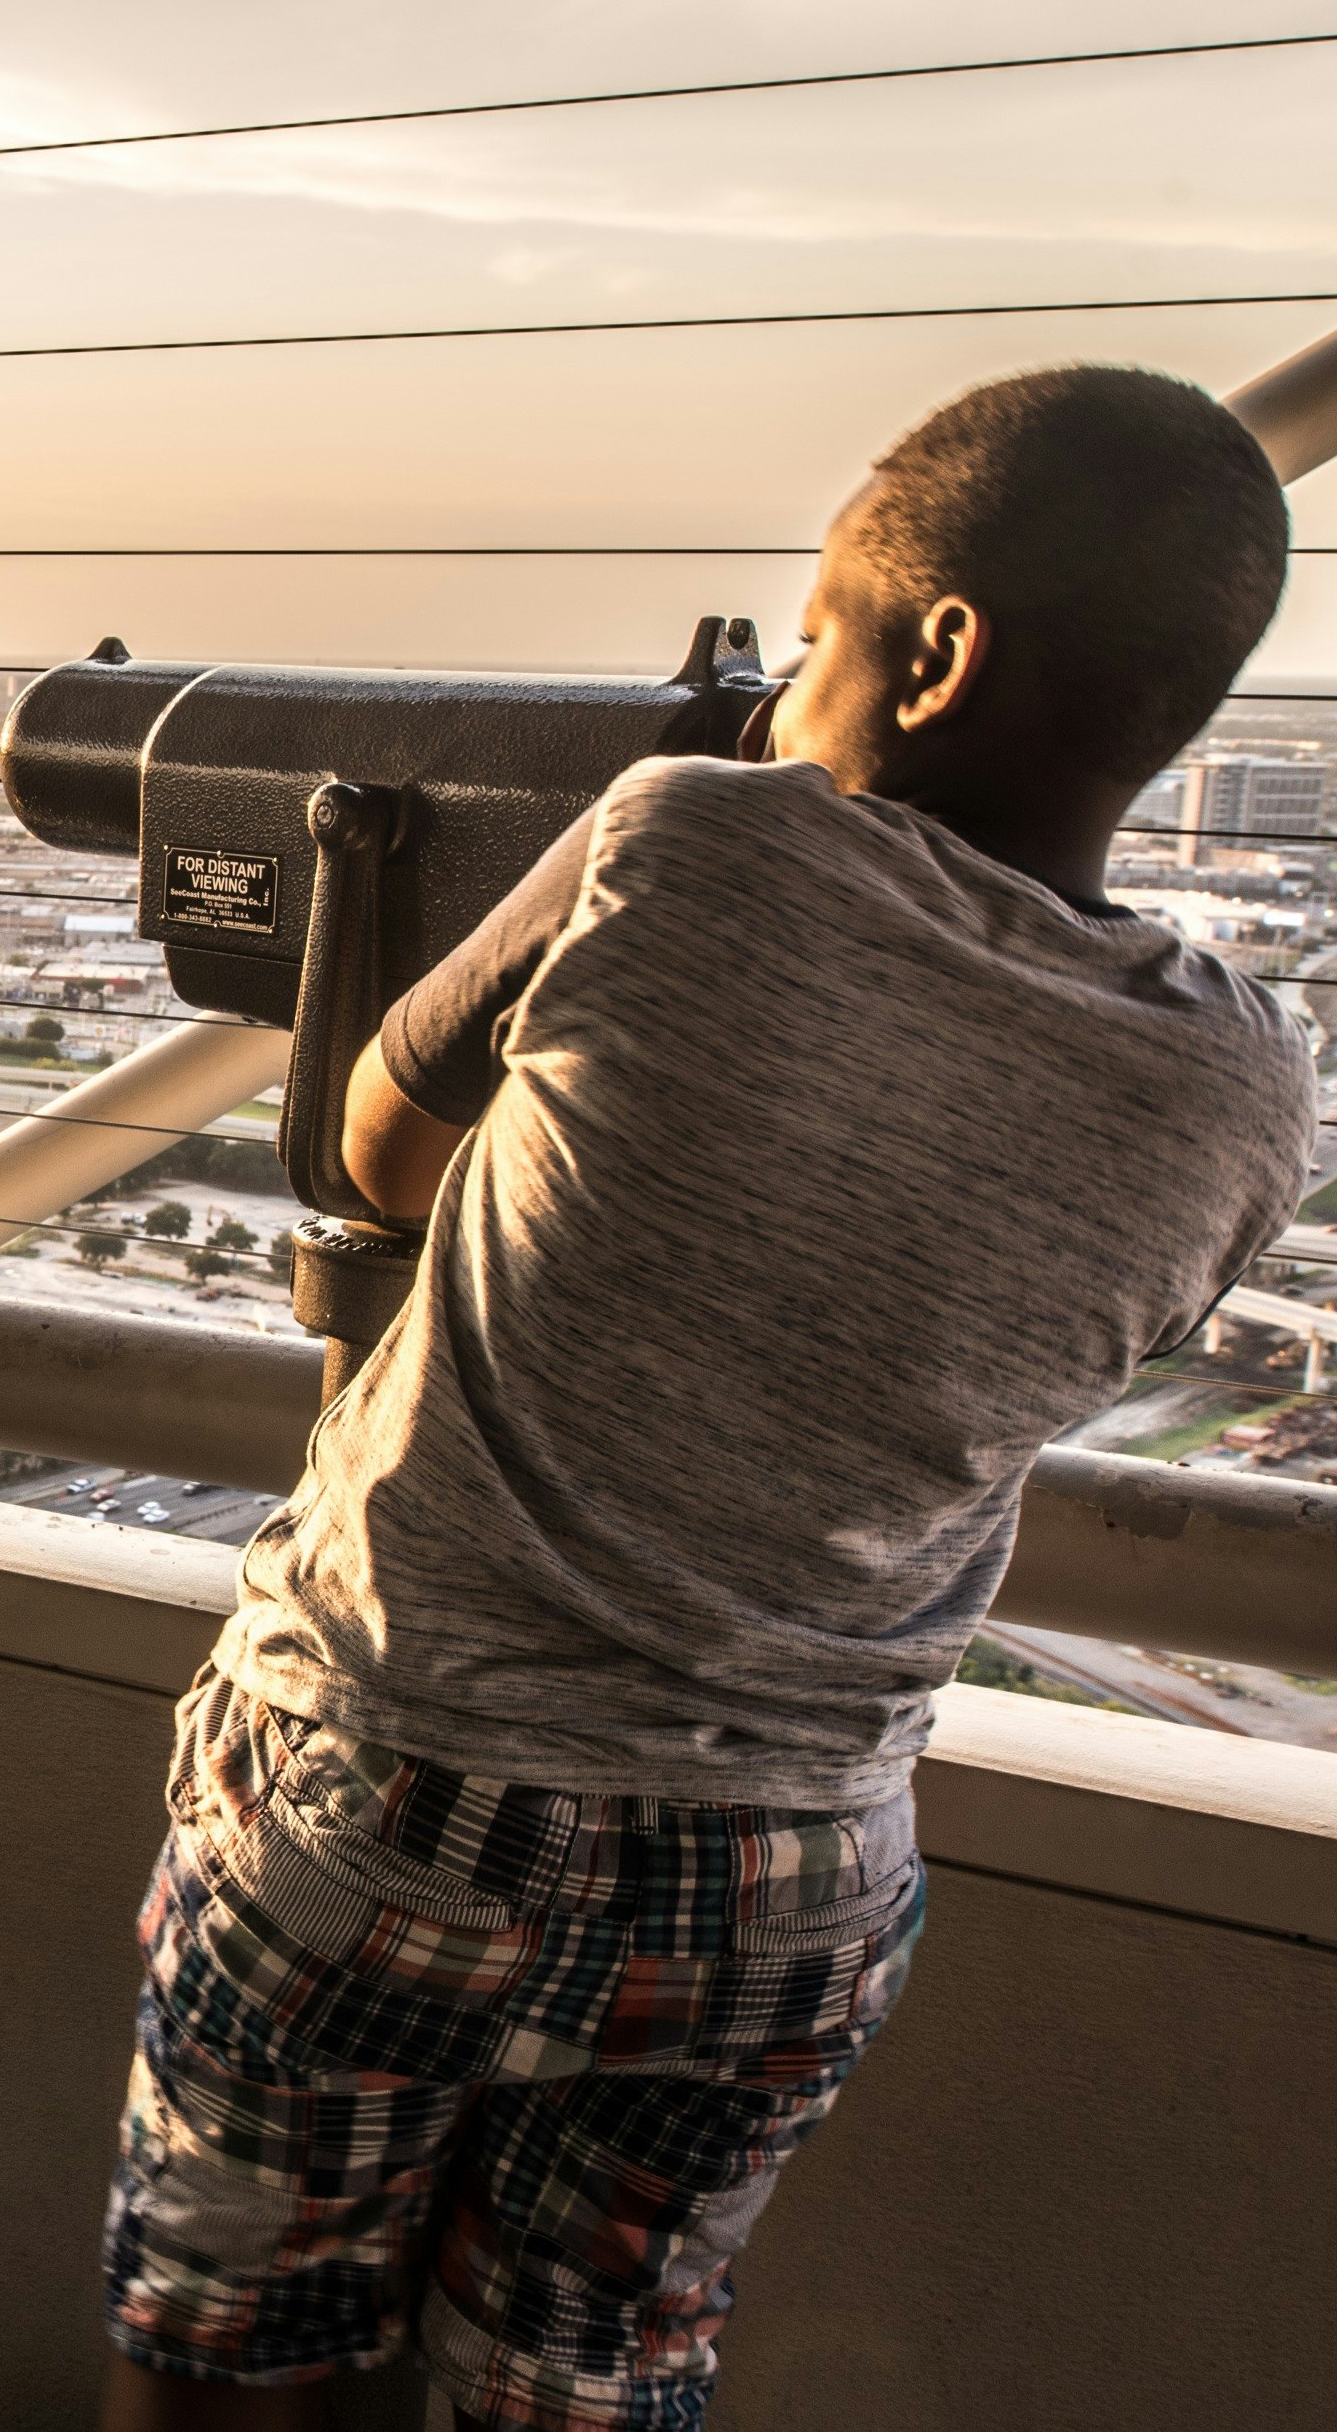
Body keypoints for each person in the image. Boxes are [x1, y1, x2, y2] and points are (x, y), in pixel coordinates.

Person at [95, 365, 1319, 2432]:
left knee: (235, 2366)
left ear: (930, 655)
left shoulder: (697, 843)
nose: (777, 704)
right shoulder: (1243, 1079)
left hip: (401, 1784)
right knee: (575, 2389)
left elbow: (377, 1152)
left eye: (811, 644)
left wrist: (678, 827)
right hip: (790, 1873)